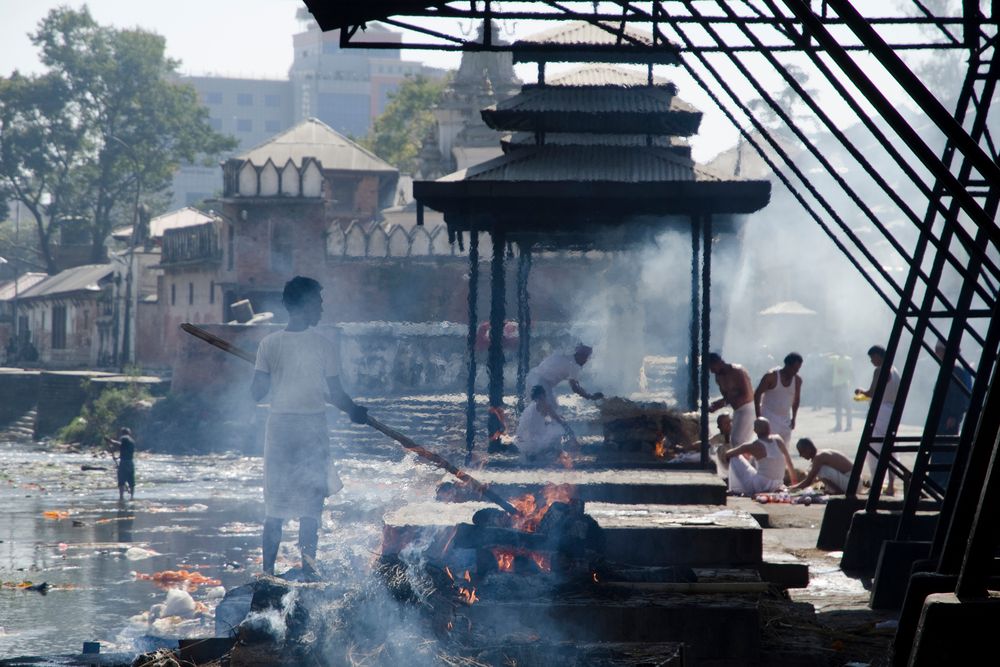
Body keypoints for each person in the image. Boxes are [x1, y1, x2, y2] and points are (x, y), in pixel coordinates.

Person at [251, 276, 368, 580]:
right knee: (310, 504)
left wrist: (264, 371)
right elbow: (338, 395)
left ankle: (268, 572)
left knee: (275, 503)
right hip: (309, 428)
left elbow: (256, 393)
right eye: (317, 301)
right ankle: (308, 569)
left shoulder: (269, 345)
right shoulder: (323, 346)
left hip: (281, 429)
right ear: (303, 304)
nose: (321, 307)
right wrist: (354, 410)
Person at [856, 345, 900, 495]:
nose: (871, 361)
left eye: (872, 357)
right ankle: (891, 485)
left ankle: (876, 485)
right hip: (892, 411)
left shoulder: (880, 370)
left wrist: (860, 392)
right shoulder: (895, 371)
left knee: (874, 448)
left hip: (880, 411)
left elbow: (872, 392)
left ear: (879, 356)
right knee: (890, 447)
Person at [930, 340, 973, 489]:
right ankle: (936, 482)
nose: (936, 353)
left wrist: (954, 416)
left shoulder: (956, 371)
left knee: (944, 450)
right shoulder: (949, 369)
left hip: (947, 418)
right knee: (938, 450)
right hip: (942, 417)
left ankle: (941, 483)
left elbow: (960, 396)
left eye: (938, 350)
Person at [720, 418, 797, 496]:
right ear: (769, 429)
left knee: (734, 458)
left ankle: (736, 489)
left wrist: (746, 451)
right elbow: (789, 462)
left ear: (755, 431)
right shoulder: (778, 439)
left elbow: (728, 454)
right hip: (778, 484)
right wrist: (794, 484)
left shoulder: (753, 445)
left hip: (760, 486)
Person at [523, 344, 603, 415]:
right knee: (552, 410)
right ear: (581, 355)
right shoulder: (574, 366)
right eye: (586, 357)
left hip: (532, 376)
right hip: (540, 381)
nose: (586, 361)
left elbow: (576, 384)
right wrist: (590, 396)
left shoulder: (568, 358)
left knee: (536, 408)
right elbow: (575, 388)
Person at [707, 352, 755, 455]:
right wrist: (718, 404)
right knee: (734, 440)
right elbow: (727, 397)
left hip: (747, 409)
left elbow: (747, 395)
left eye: (711, 367)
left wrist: (724, 402)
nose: (711, 371)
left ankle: (746, 466)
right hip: (737, 410)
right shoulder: (718, 377)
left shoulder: (737, 371)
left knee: (739, 441)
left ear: (718, 363)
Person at [754, 352, 803, 450]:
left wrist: (794, 418)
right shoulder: (771, 376)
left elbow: (796, 400)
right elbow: (757, 394)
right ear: (787, 365)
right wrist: (758, 417)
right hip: (769, 417)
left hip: (785, 419)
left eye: (798, 369)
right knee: (768, 448)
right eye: (794, 368)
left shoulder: (797, 380)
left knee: (784, 449)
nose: (796, 372)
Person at [516, 385, 574, 464]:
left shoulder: (538, 406)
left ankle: (543, 458)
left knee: (554, 432)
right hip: (535, 435)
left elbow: (554, 418)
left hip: (535, 434)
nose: (544, 398)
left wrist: (565, 426)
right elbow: (523, 425)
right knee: (554, 434)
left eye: (543, 396)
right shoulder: (537, 408)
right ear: (538, 397)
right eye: (542, 396)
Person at [788, 438, 855, 494]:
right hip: (853, 483)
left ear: (808, 449)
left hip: (852, 484)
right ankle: (834, 491)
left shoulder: (819, 457)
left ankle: (839, 492)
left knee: (821, 470)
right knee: (819, 471)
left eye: (801, 452)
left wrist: (790, 489)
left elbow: (809, 481)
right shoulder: (820, 454)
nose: (800, 455)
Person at [107, 427, 136, 500]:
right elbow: (125, 450)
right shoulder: (132, 441)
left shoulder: (124, 438)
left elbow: (119, 445)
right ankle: (132, 496)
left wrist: (110, 441)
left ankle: (121, 496)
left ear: (123, 433)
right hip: (130, 463)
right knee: (131, 479)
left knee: (121, 480)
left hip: (124, 463)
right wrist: (117, 458)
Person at [830, 351, 854, 432]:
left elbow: (851, 372)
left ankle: (848, 425)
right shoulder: (835, 358)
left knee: (847, 406)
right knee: (838, 406)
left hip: (844, 385)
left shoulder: (848, 359)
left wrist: (851, 382)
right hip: (837, 385)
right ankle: (839, 424)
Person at [709, 413, 734, 479]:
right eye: (726, 423)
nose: (729, 425)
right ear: (719, 426)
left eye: (730, 422)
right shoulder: (717, 439)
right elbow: (705, 444)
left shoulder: (738, 436)